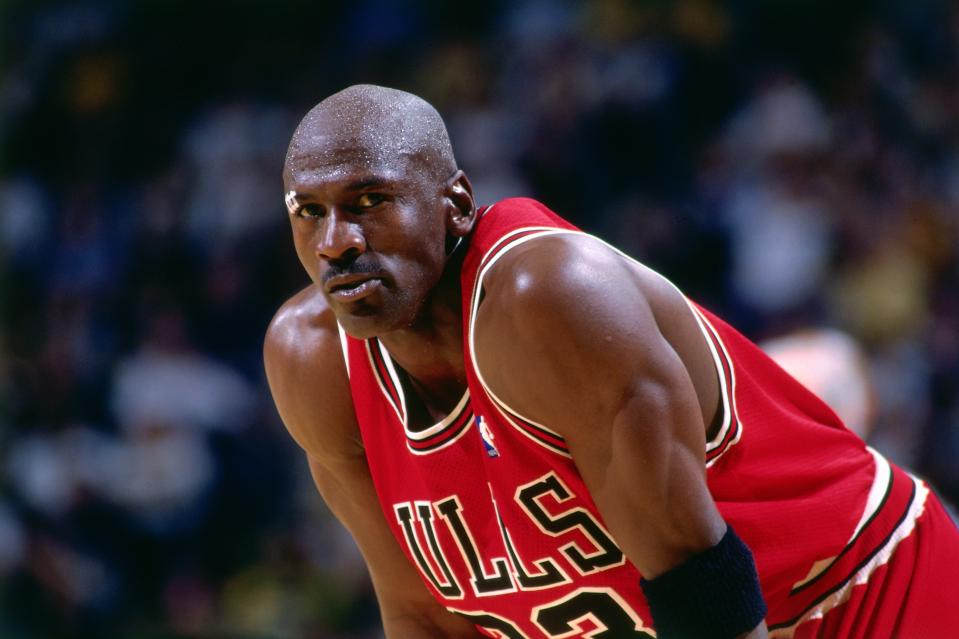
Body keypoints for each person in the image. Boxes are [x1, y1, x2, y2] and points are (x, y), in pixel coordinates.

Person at [263, 84, 959, 639]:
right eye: (309, 211)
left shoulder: (545, 297)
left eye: (369, 201)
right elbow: (427, 617)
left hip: (864, 597)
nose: (335, 242)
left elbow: (700, 585)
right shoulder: (310, 359)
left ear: (456, 204)